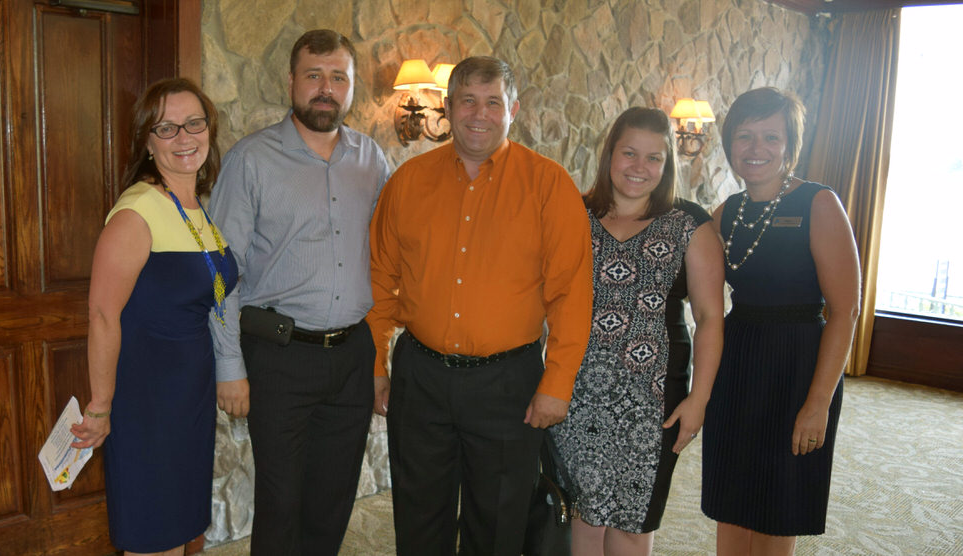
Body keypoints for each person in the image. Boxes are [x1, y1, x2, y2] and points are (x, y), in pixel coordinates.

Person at [367, 55, 593, 555]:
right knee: (418, 514)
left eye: (493, 102)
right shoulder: (407, 181)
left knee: (497, 526)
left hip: (507, 384)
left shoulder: (549, 186)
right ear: (447, 107)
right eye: (467, 100)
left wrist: (557, 383)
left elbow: (571, 294)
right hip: (420, 377)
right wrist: (376, 363)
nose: (479, 113)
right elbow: (381, 280)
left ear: (513, 109)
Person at [207, 29, 390, 556]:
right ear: (291, 82)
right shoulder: (252, 160)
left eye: (338, 78)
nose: (325, 88)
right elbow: (221, 273)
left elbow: (392, 256)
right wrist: (229, 366)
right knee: (281, 503)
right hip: (278, 357)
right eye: (314, 76)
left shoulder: (373, 161)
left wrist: (379, 359)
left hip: (353, 355)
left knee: (333, 503)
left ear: (352, 87)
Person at [71, 78, 239, 556]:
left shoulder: (193, 210)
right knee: (156, 537)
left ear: (209, 130)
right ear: (146, 141)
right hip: (148, 401)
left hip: (190, 395)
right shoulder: (138, 211)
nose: (184, 138)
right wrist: (101, 406)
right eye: (166, 128)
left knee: (187, 530)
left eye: (194, 123)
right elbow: (103, 314)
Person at [549, 107, 724, 555]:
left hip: (652, 397)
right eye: (629, 153)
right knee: (585, 515)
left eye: (654, 159)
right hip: (577, 388)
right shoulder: (574, 213)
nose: (639, 168)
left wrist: (699, 400)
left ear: (667, 166)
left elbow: (709, 318)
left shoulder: (690, 223)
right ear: (610, 154)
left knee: (633, 519)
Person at [701, 87, 860, 555]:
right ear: (730, 144)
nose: (756, 150)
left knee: (778, 500)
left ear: (791, 146)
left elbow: (845, 311)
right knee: (733, 494)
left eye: (771, 137)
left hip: (797, 366)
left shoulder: (819, 204)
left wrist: (818, 404)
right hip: (739, 362)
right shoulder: (727, 211)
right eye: (745, 137)